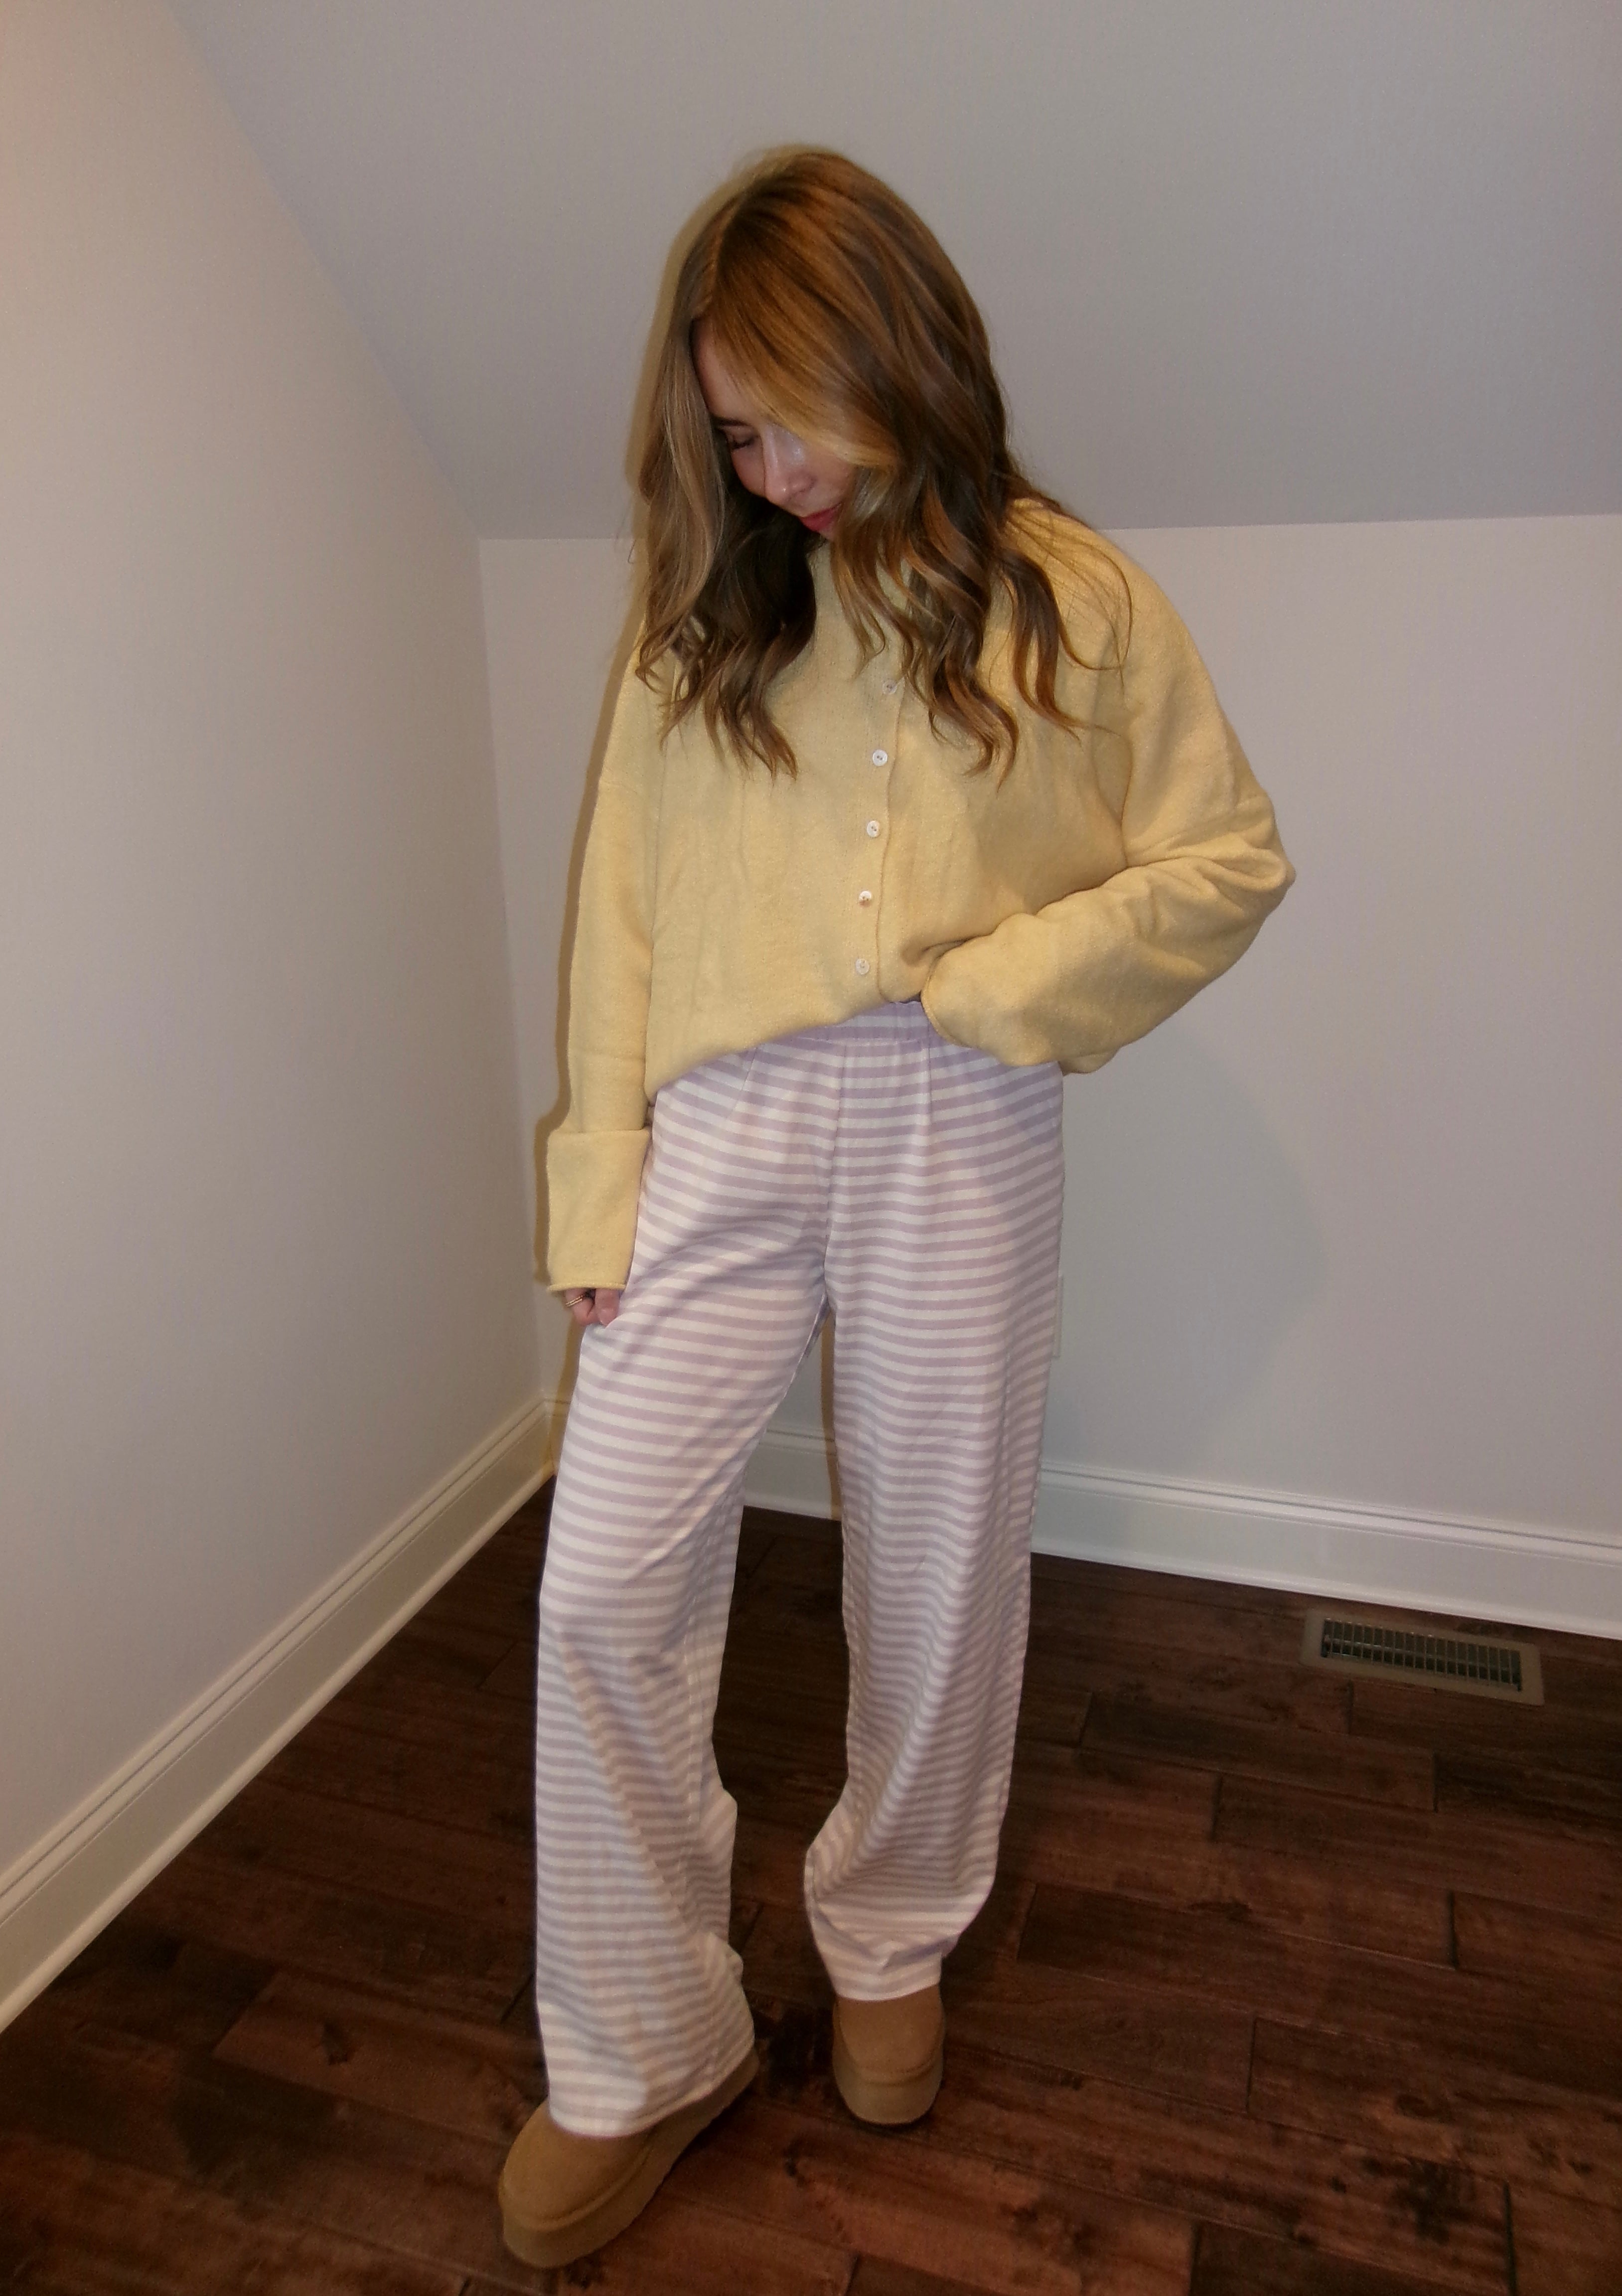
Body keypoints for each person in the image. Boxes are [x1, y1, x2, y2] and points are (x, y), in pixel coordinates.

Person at [498, 148, 1293, 2267]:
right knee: (602, 1589)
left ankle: (887, 1933)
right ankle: (641, 2040)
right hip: (721, 1130)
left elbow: (1225, 859)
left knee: (938, 1562)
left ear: (894, 356)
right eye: (726, 433)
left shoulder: (1081, 603)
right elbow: (619, 928)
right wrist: (602, 1190)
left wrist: (1005, 994)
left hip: (962, 1113)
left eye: (780, 420)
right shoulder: (704, 628)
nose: (759, 472)